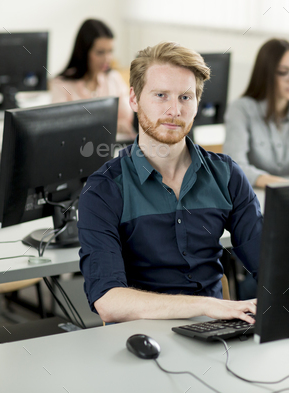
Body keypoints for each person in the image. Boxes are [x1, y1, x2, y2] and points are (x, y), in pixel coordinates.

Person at [77, 42, 262, 324]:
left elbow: (269, 266)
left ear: (198, 103)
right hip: (140, 341)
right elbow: (109, 300)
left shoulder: (226, 175)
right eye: (161, 95)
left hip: (217, 332)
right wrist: (206, 306)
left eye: (186, 97)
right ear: (135, 99)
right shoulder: (104, 189)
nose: (175, 110)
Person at [224, 38, 289, 188]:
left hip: (286, 196)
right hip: (250, 197)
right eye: (284, 72)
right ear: (266, 75)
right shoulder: (240, 109)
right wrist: (282, 184)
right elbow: (234, 167)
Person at [50, 19, 135, 139]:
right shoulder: (62, 84)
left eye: (110, 51)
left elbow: (127, 116)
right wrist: (112, 125)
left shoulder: (113, 78)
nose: (107, 58)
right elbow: (59, 126)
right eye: (100, 52)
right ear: (84, 52)